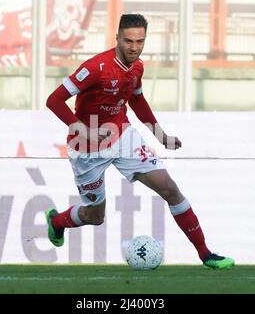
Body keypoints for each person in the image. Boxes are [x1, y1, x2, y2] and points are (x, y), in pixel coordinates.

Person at [45, 14, 234, 269]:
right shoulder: (95, 68)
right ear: (117, 38)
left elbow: (137, 101)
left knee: (169, 188)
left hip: (122, 136)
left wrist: (160, 135)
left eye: (139, 41)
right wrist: (84, 129)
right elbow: (54, 100)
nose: (134, 48)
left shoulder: (137, 67)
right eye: (128, 41)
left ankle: (205, 254)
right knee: (95, 216)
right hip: (86, 148)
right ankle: (57, 222)